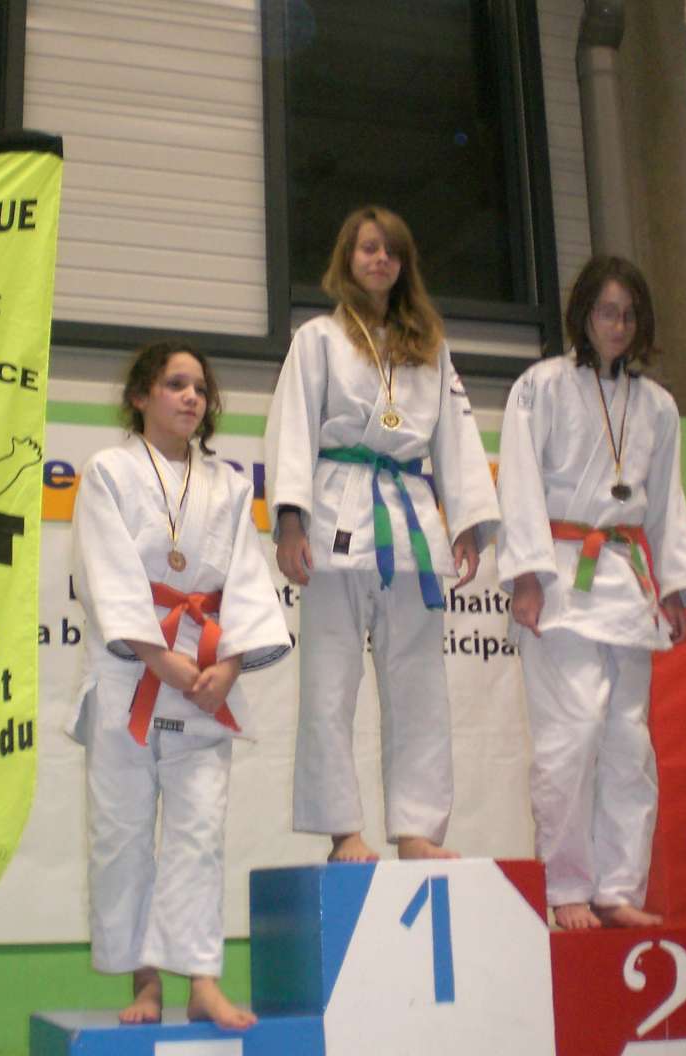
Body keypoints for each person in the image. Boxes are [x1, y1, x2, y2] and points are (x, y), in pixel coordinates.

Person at [264, 205, 500, 862]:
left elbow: (456, 438)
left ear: (404, 265)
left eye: (391, 251)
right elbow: (291, 429)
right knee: (329, 682)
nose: (380, 260)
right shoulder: (318, 338)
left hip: (410, 520)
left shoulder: (429, 346)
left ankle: (418, 829)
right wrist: (290, 522)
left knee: (419, 685)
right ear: (348, 258)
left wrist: (468, 524)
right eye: (368, 248)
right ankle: (344, 829)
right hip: (335, 513)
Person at [70, 340, 292, 1029]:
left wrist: (231, 666)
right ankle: (145, 984)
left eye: (199, 387)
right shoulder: (107, 472)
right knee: (123, 834)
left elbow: (247, 580)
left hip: (204, 674)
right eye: (175, 384)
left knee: (199, 834)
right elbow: (105, 573)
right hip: (129, 673)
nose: (191, 396)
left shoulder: (229, 485)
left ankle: (201, 979)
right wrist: (156, 656)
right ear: (141, 396)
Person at [496, 255, 686, 929]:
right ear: (583, 314)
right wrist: (527, 576)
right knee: (573, 731)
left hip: (624, 578)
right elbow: (518, 483)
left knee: (627, 740)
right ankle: (566, 887)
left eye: (629, 314)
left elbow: (666, 500)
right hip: (560, 575)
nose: (618, 325)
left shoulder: (658, 406)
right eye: (607, 312)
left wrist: (674, 585)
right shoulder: (540, 386)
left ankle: (618, 888)